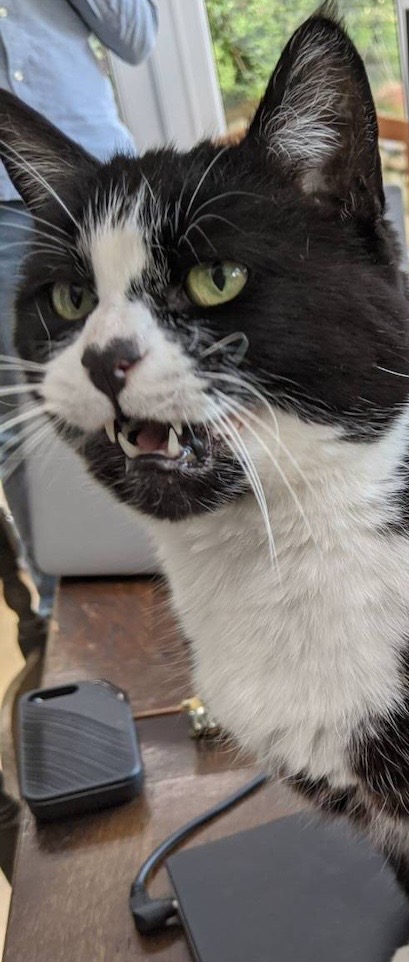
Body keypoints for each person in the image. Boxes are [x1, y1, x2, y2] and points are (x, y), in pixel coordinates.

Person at [0, 0, 158, 571]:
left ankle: (178, 568)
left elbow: (136, 38)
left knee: (156, 390)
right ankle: (60, 592)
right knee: (21, 425)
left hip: (93, 181)